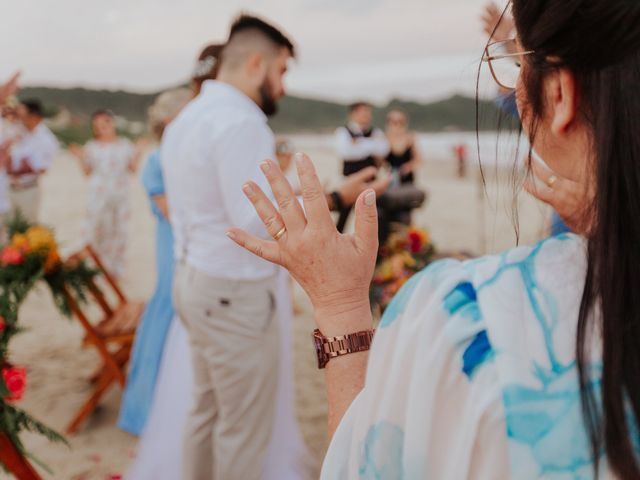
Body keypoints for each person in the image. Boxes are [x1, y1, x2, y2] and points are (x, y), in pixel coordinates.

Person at [228, 0, 640, 477]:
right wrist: (607, 222)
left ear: (561, 95)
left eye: (517, 62)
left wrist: (340, 305)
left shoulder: (465, 317)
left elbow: (359, 464)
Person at [161, 15, 300, 479]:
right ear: (257, 63)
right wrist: (328, 201)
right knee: (242, 429)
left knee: (205, 411)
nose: (282, 88)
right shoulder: (242, 121)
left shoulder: (188, 116)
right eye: (282, 72)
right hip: (232, 295)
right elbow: (256, 221)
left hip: (194, 279)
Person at [118, 89, 193, 438]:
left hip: (191, 245)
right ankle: (149, 409)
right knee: (168, 309)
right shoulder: (158, 160)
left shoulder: (185, 155)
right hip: (173, 244)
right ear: (168, 123)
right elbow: (171, 212)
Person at [69, 110, 146, 278]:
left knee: (119, 231)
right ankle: (94, 267)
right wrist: (80, 157)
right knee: (96, 229)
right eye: (98, 126)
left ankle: (115, 269)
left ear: (112, 123)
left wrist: (139, 151)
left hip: (120, 194)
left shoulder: (125, 145)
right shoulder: (91, 146)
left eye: (106, 123)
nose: (102, 128)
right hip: (98, 194)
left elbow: (132, 169)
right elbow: (87, 172)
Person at [334, 101, 389, 232]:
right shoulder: (342, 132)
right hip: (349, 180)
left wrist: (359, 144)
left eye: (368, 112)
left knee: (370, 215)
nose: (367, 115)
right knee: (343, 215)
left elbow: (384, 150)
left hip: (371, 182)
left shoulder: (376, 132)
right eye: (363, 112)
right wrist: (371, 145)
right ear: (353, 114)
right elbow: (346, 152)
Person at [5, 99, 58, 223]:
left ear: (34, 116)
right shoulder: (15, 131)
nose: (19, 118)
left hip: (28, 190)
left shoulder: (47, 140)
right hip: (7, 189)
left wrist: (20, 169)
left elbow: (43, 168)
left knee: (26, 226)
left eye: (22, 114)